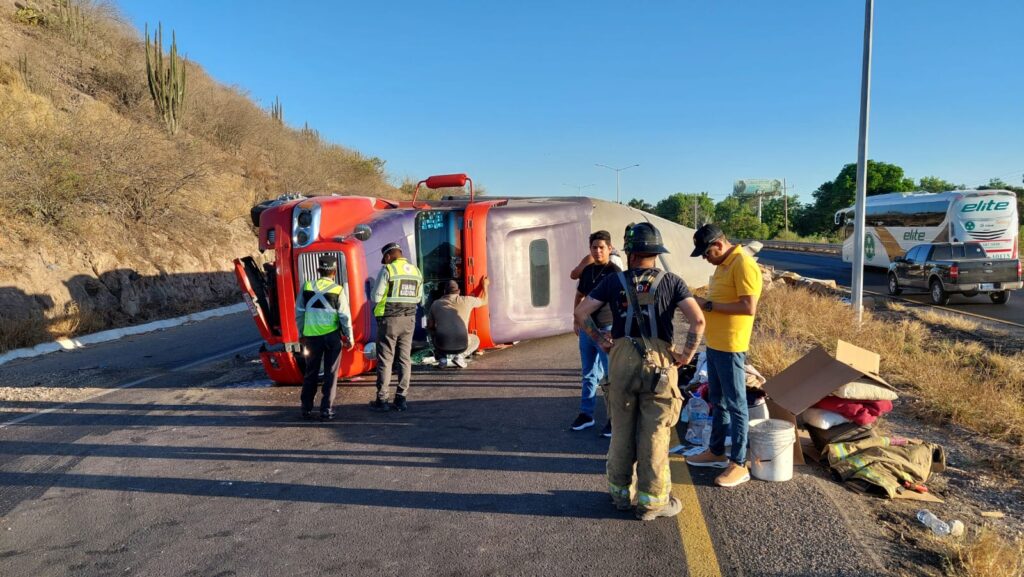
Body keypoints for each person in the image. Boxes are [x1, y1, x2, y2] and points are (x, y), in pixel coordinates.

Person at [574, 222, 705, 521]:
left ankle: (620, 496)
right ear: (656, 254)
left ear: (630, 253)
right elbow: (698, 322)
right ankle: (651, 504)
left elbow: (581, 313)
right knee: (656, 433)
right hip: (660, 361)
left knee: (621, 431)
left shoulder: (613, 281)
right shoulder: (672, 281)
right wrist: (685, 356)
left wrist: (602, 342)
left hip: (621, 358)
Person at [685, 224, 763, 488]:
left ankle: (739, 464)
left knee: (736, 405)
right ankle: (716, 451)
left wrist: (707, 304)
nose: (706, 259)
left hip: (731, 346)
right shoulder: (723, 264)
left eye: (706, 253)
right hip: (716, 344)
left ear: (718, 245)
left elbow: (748, 306)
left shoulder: (743, 263)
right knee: (717, 400)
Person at [569, 230, 621, 436]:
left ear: (609, 248)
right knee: (589, 374)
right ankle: (586, 414)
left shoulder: (615, 273)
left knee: (610, 377)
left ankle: (613, 419)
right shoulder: (588, 270)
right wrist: (576, 319)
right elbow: (579, 294)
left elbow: (621, 305)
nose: (598, 251)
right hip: (587, 329)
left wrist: (616, 331)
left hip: (607, 330)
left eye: (601, 247)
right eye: (594, 248)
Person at [295, 255, 353, 421]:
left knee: (311, 371)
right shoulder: (338, 290)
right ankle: (326, 409)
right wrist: (349, 337)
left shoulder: (306, 287)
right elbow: (344, 316)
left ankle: (306, 408)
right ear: (334, 272)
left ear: (319, 270)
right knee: (331, 373)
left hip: (312, 337)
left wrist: (301, 333)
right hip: (332, 337)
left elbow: (299, 313)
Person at [370, 242, 424, 412]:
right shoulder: (416, 271)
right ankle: (401, 398)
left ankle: (382, 399)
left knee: (386, 359)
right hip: (409, 320)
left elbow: (376, 297)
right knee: (404, 359)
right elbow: (418, 298)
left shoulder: (388, 270)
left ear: (388, 256)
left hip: (389, 321)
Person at [426, 277, 489, 368]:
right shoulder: (467, 300)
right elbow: (484, 301)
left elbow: (430, 326)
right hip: (462, 345)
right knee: (476, 339)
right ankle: (460, 357)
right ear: (458, 291)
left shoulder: (435, 304)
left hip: (442, 345)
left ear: (444, 292)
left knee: (431, 331)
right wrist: (485, 286)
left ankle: (442, 359)